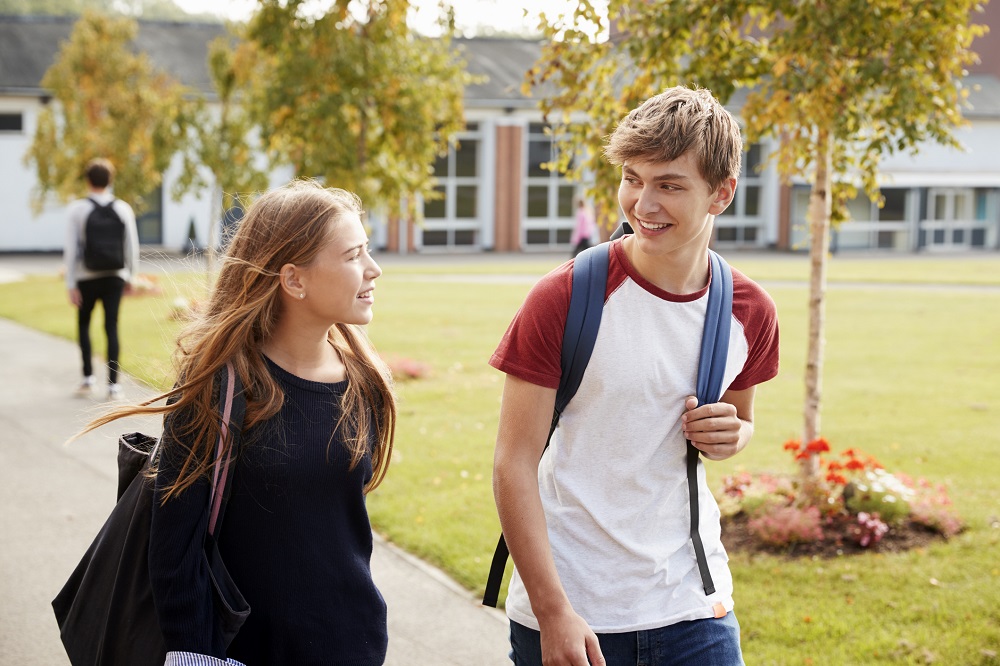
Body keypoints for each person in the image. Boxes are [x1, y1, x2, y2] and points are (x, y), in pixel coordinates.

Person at [489, 87, 780, 666]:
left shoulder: (748, 309)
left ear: (721, 193)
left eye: (669, 185)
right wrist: (553, 613)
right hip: (573, 609)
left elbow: (743, 421)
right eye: (632, 178)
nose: (642, 204)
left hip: (695, 608)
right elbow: (512, 462)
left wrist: (734, 435)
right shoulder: (564, 297)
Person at [90, 180, 396, 665]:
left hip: (353, 645)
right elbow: (175, 547)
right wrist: (198, 657)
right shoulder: (221, 387)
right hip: (242, 653)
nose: (374, 269)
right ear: (294, 280)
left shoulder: (365, 381)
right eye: (354, 254)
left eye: (368, 250)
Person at [64, 157, 139, 400]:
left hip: (87, 276)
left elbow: (71, 249)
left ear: (88, 180)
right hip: (115, 276)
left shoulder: (77, 209)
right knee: (112, 327)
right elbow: (131, 247)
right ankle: (113, 386)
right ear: (110, 181)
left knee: (84, 324)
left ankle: (88, 378)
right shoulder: (123, 208)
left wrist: (71, 283)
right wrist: (131, 276)